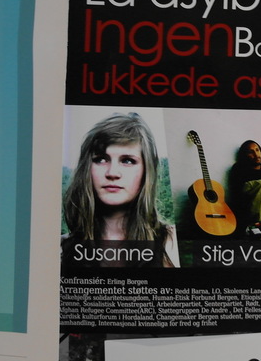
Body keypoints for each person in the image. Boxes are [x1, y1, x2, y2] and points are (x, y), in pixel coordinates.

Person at [62, 113, 176, 267]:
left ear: (147, 171)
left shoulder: (171, 244)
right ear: (86, 169)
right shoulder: (60, 250)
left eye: (127, 161)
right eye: (101, 159)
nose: (112, 173)